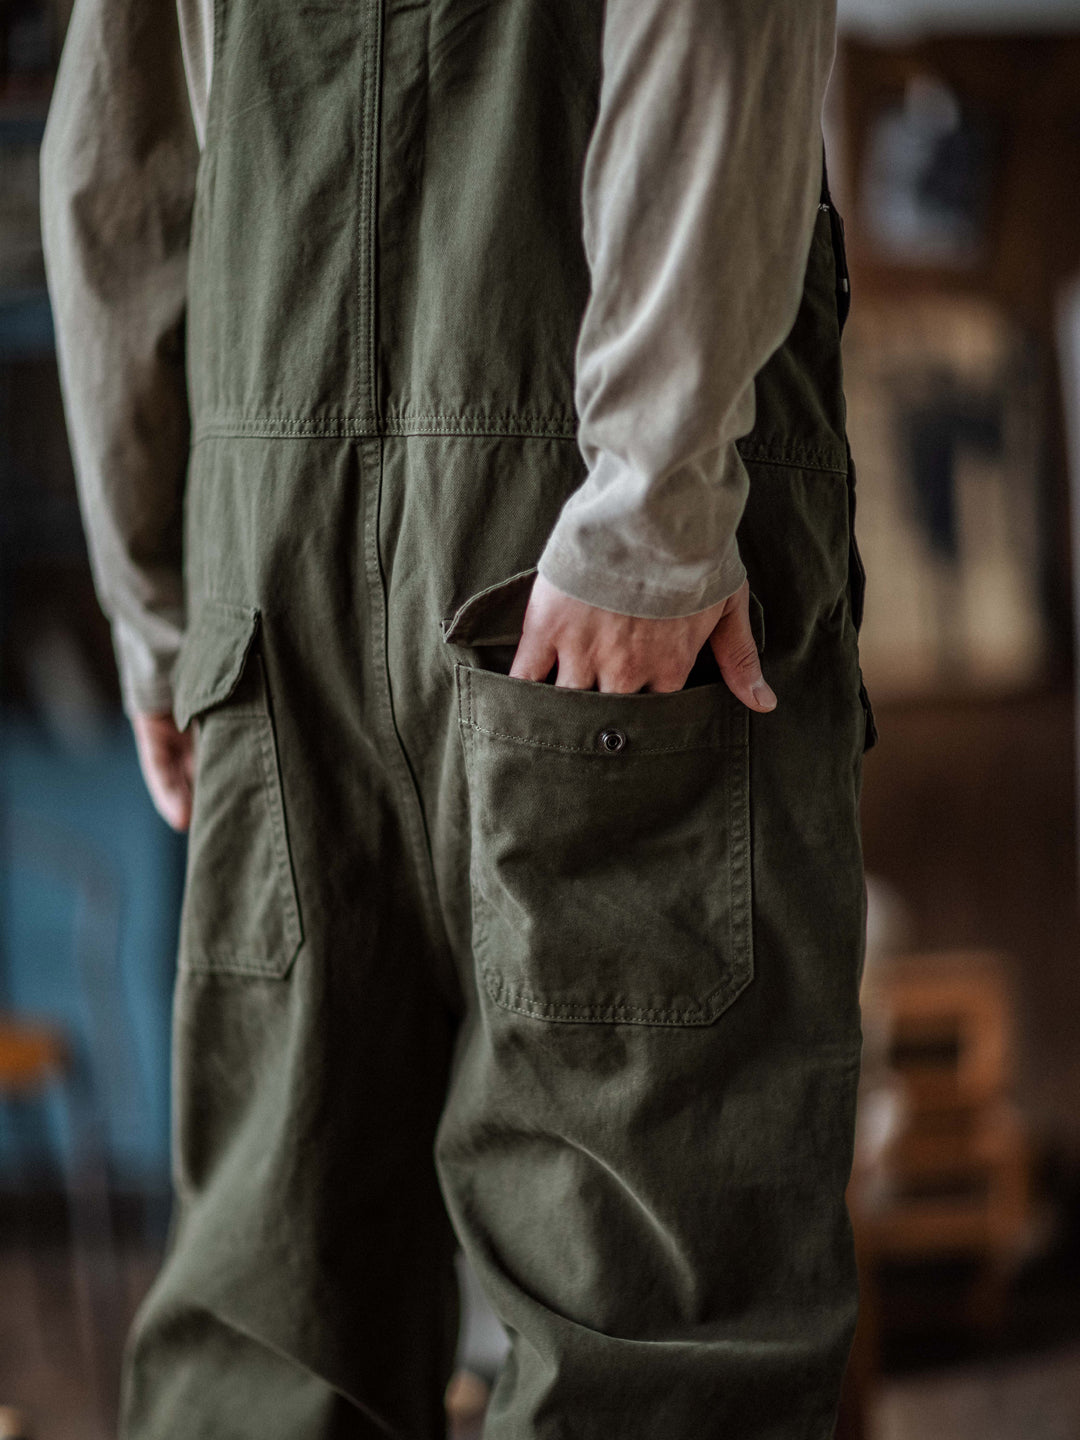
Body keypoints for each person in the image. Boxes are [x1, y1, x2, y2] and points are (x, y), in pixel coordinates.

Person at [41, 0, 874, 1434]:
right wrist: (653, 503)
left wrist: (162, 607)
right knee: (643, 1344)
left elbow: (108, 154)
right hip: (580, 497)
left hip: (264, 544)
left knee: (274, 1326)